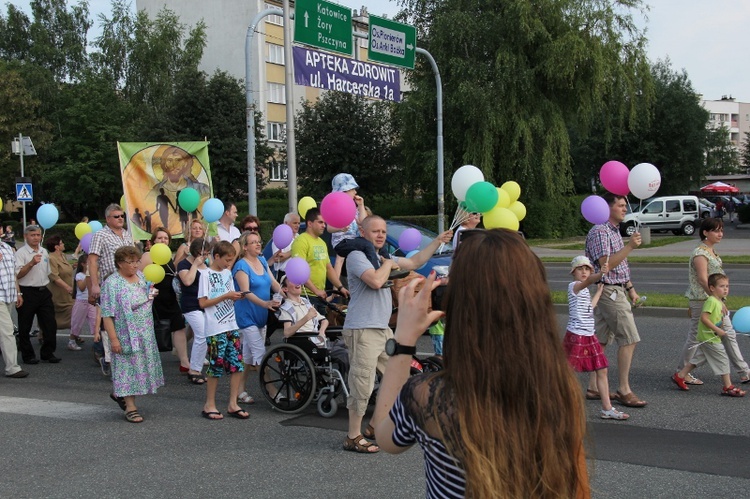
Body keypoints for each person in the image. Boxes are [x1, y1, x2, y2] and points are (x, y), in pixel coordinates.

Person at [372, 229, 590, 497]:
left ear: (459, 303)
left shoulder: (430, 397)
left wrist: (403, 340)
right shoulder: (559, 386)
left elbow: (384, 436)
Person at [342, 215, 452, 454]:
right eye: (375, 231)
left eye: (383, 231)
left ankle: (372, 426)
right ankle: (353, 436)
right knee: (362, 383)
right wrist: (387, 265)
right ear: (363, 233)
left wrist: (438, 241)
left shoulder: (383, 257)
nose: (381, 235)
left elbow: (414, 262)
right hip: (362, 328)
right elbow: (374, 281)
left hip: (381, 328)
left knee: (395, 378)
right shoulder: (356, 256)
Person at [584, 193, 646, 408]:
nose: (624, 209)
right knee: (629, 339)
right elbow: (606, 265)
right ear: (607, 208)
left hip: (614, 290)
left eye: (624, 205)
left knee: (601, 340)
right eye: (620, 205)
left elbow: (621, 267)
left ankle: (593, 387)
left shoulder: (613, 231)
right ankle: (624, 389)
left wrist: (631, 289)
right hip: (609, 292)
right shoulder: (600, 231)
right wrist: (629, 247)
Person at [679, 217, 749, 384]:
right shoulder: (700, 253)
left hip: (714, 300)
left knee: (728, 334)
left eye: (721, 230)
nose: (720, 234)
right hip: (703, 300)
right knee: (696, 337)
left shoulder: (711, 251)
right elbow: (704, 280)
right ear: (705, 232)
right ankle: (681, 372)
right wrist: (716, 300)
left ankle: (744, 371)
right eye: (716, 230)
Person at [100, 246, 165, 423]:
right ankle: (130, 406)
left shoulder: (142, 277)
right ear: (120, 263)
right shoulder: (112, 283)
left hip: (145, 332)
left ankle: (119, 393)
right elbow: (107, 314)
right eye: (130, 262)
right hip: (124, 332)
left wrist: (151, 294)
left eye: (137, 261)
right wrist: (114, 339)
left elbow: (145, 297)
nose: (135, 265)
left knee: (138, 368)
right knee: (126, 368)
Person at [565, 256, 628, 420]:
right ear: (573, 272)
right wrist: (600, 274)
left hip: (589, 334)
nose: (584, 272)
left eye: (587, 269)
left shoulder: (584, 290)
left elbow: (589, 308)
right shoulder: (574, 286)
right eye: (580, 269)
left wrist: (599, 292)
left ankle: (607, 408)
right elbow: (586, 282)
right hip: (577, 335)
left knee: (602, 369)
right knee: (568, 372)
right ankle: (559, 404)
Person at [672, 274, 746, 397]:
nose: (726, 289)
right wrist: (718, 329)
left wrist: (720, 329)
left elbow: (717, 319)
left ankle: (680, 376)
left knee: (700, 358)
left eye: (727, 286)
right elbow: (704, 318)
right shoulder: (711, 301)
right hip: (708, 337)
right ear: (711, 288)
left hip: (710, 336)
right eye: (722, 286)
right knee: (723, 359)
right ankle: (728, 387)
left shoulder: (718, 302)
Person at [198, 241, 248, 420]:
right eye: (226, 260)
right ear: (216, 256)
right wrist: (226, 296)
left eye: (231, 260)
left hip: (231, 325)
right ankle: (209, 404)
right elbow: (203, 303)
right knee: (215, 366)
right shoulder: (205, 274)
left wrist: (235, 297)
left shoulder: (227, 273)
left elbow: (229, 296)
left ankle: (233, 403)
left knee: (236, 365)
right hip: (214, 328)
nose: (229, 264)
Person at [232, 230, 282, 405]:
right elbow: (245, 292)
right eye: (253, 242)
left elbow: (273, 283)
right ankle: (272, 390)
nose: (258, 244)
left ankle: (239, 390)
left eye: (259, 241)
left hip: (261, 316)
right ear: (245, 247)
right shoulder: (241, 266)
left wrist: (286, 294)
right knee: (260, 355)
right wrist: (266, 304)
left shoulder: (261, 260)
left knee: (248, 357)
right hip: (246, 316)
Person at [88, 204, 135, 375]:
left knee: (126, 320)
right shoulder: (100, 235)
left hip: (127, 284)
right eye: (116, 216)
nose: (120, 218)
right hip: (109, 282)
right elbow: (92, 261)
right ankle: (108, 358)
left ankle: (125, 356)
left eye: (122, 216)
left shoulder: (128, 235)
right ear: (108, 219)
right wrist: (94, 284)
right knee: (109, 320)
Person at [139, 227, 189, 373]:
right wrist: (148, 293)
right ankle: (147, 362)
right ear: (154, 240)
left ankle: (185, 361)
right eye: (160, 238)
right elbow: (141, 278)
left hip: (170, 297)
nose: (163, 240)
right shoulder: (148, 255)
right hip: (154, 299)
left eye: (166, 238)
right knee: (152, 331)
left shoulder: (168, 256)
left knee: (179, 327)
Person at [290, 208, 349, 316]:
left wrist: (340, 287)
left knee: (323, 329)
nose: (324, 226)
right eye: (320, 222)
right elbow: (299, 271)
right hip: (305, 296)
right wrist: (315, 290)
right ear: (310, 223)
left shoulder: (321, 242)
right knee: (310, 331)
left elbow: (328, 268)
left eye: (325, 223)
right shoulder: (301, 241)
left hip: (320, 296)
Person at [15, 225, 60, 364]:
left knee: (50, 324)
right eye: (32, 235)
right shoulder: (21, 253)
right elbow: (18, 274)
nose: (36, 238)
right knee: (25, 325)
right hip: (27, 291)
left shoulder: (44, 251)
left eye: (38, 235)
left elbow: (47, 272)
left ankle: (48, 352)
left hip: (43, 290)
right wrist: (31, 263)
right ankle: (28, 355)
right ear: (25, 237)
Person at [178, 238, 210, 385]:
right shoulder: (183, 264)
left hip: (205, 303)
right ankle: (194, 369)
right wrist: (195, 265)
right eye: (203, 253)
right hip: (191, 305)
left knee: (205, 334)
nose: (205, 256)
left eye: (207, 253)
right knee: (201, 334)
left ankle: (197, 366)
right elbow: (187, 281)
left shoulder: (207, 265)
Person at [327, 173, 370, 278]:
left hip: (354, 241)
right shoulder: (335, 209)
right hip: (343, 242)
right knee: (367, 246)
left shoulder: (353, 208)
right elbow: (329, 228)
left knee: (373, 245)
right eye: (353, 189)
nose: (355, 192)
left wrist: (361, 205)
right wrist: (340, 228)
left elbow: (364, 222)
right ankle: (375, 271)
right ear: (344, 192)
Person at [0, 237, 28, 378]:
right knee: (7, 331)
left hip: (9, 294)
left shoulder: (6, 248)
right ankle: (12, 368)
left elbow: (13, 274)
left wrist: (18, 292)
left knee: (5, 331)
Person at [45, 235, 75, 332]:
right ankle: (44, 331)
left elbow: (64, 269)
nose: (63, 244)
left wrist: (72, 266)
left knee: (74, 313)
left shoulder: (63, 256)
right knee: (55, 315)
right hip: (59, 293)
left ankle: (74, 334)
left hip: (68, 294)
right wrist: (67, 287)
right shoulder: (51, 258)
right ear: (56, 247)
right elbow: (54, 276)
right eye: (61, 243)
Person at [70, 255, 98, 351]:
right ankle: (72, 340)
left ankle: (97, 343)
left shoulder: (94, 274)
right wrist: (88, 275)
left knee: (95, 321)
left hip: (91, 302)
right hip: (81, 301)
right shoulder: (79, 275)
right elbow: (81, 288)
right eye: (88, 263)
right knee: (77, 321)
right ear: (83, 264)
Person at [268, 213, 300, 279]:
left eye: (298, 223)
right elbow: (278, 259)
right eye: (295, 223)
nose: (297, 225)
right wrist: (294, 251)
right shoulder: (279, 237)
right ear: (286, 223)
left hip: (298, 273)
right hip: (284, 275)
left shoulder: (299, 237)